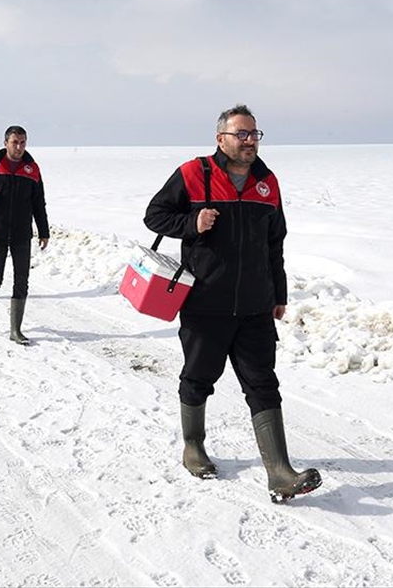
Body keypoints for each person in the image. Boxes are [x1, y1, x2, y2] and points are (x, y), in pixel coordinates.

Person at [143, 103, 321, 503]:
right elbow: (154, 215)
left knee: (263, 384)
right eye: (241, 134)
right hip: (206, 303)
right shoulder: (194, 173)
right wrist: (191, 224)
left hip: (256, 306)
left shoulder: (267, 182)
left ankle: (279, 472)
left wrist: (278, 293)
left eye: (254, 134)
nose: (249, 141)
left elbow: (275, 242)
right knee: (199, 377)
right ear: (220, 138)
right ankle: (193, 446)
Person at [0, 125, 50, 345]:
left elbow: (38, 202)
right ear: (6, 143)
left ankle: (16, 330)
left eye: (23, 142)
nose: (19, 146)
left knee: (22, 280)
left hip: (23, 233)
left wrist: (43, 231)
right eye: (15, 142)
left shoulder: (32, 168)